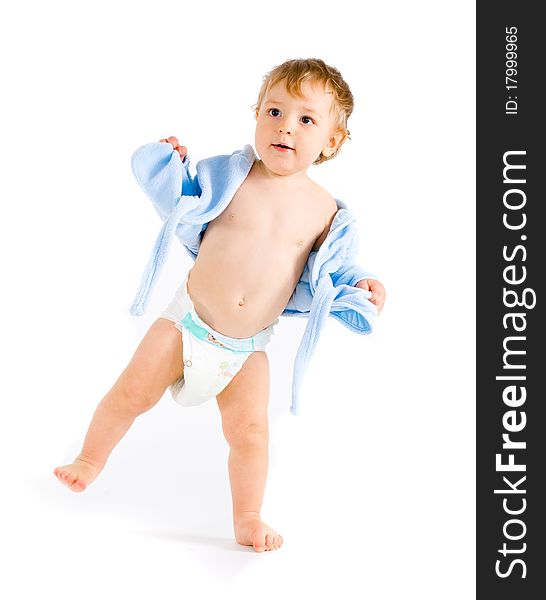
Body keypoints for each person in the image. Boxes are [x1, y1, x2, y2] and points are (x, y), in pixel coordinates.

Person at [54, 58, 386, 553]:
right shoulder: (231, 175)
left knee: (252, 434)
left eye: (306, 120)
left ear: (332, 142)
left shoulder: (327, 213)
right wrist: (169, 162)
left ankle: (248, 517)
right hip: (186, 323)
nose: (285, 128)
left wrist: (361, 284)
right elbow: (183, 195)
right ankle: (89, 459)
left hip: (247, 349)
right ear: (256, 114)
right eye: (274, 111)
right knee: (130, 394)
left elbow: (332, 273)